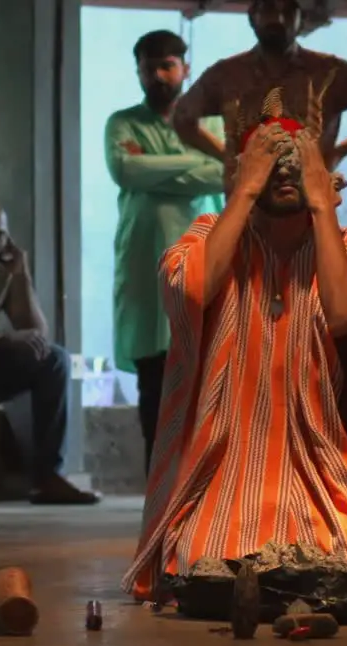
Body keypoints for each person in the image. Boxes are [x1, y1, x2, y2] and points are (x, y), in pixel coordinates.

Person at [122, 86, 347, 620]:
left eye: (297, 162)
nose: (284, 173)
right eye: (270, 163)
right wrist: (241, 193)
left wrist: (321, 207)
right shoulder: (207, 235)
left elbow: (344, 315)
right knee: (210, 558)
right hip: (223, 470)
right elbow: (190, 292)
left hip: (322, 467)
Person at [106, 30, 225, 472]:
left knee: (205, 372)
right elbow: (125, 169)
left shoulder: (212, 124)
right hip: (144, 260)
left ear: (185, 69)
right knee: (154, 378)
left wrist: (154, 170)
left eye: (167, 66)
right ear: (138, 71)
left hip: (203, 260)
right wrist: (199, 165)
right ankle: (158, 483)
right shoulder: (123, 123)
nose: (158, 75)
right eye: (148, 67)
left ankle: (205, 484)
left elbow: (227, 172)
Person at [0, 201, 98, 507]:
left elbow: (36, 334)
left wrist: (21, 273)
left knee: (55, 359)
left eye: (0, 235)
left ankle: (47, 476)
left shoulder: (2, 271)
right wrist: (3, 337)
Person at [172, 0, 347, 187]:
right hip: (244, 204)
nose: (278, 19)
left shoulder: (332, 72)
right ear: (253, 16)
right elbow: (182, 117)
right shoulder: (226, 74)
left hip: (310, 201)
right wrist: (227, 157)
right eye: (268, 9)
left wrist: (339, 152)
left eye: (288, 12)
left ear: (301, 19)